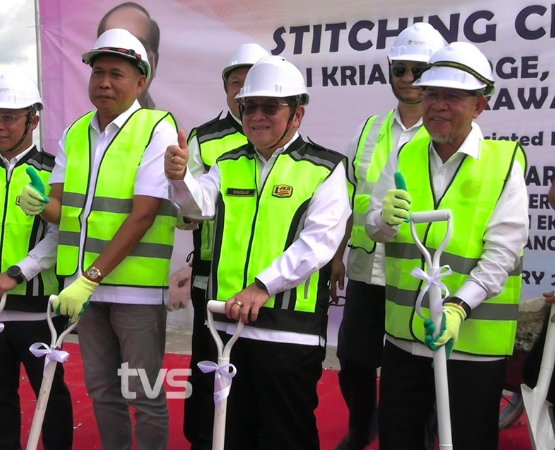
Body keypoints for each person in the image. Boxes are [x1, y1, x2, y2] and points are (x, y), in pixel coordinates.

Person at [167, 55, 350, 449]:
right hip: (227, 327)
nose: (257, 116)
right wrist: (180, 180)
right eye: (249, 106)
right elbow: (197, 208)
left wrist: (263, 286)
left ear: (297, 114)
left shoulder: (325, 167)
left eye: (270, 106)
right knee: (228, 435)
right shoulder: (228, 163)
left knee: (287, 437)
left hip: (290, 331)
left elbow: (319, 242)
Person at [21, 28, 178, 449]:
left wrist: (89, 278)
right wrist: (38, 204)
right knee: (103, 391)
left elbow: (143, 215)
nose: (104, 82)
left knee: (144, 393)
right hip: (83, 290)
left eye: (116, 74)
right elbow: (60, 208)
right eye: (98, 73)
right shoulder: (76, 132)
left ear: (140, 82)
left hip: (134, 291)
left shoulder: (156, 127)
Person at [367, 42, 527, 450]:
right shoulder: (404, 154)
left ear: (479, 106)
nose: (438, 105)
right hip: (404, 340)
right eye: (432, 94)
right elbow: (375, 230)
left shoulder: (503, 163)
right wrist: (383, 220)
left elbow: (502, 253)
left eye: (452, 96)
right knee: (398, 440)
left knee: (469, 441)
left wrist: (457, 308)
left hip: (471, 346)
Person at [332, 23, 445, 450]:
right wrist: (337, 256)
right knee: (354, 359)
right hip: (367, 269)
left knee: (419, 363)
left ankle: (424, 434)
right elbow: (347, 198)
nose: (409, 78)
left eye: (419, 70)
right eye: (401, 69)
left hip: (416, 274)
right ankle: (363, 429)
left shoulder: (445, 132)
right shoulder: (369, 130)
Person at [0, 72, 73, 450]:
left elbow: (64, 234)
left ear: (33, 119)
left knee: (50, 396)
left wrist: (17, 274)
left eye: (9, 117)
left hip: (40, 310)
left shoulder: (56, 171)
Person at [179, 42, 269, 450]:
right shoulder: (204, 138)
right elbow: (186, 210)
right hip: (211, 277)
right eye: (236, 82)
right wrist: (182, 197)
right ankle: (204, 439)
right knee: (208, 366)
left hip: (264, 280)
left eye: (253, 81)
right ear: (226, 87)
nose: (244, 91)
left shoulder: (282, 136)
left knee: (256, 370)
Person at [97, 2, 160, 109]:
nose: (126, 61)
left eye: (139, 49)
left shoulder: (169, 121)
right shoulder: (82, 120)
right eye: (114, 50)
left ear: (155, 62)